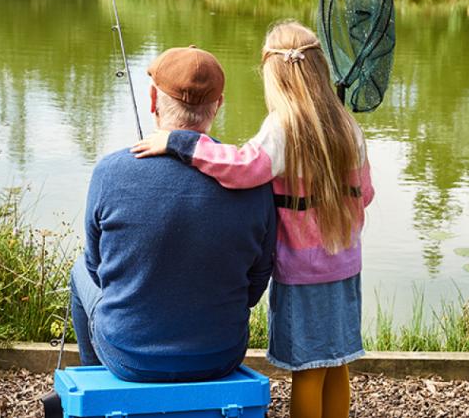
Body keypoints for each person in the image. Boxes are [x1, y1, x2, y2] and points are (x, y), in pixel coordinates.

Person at [132, 21, 374, 418]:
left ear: (274, 77)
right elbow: (365, 194)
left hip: (304, 272)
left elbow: (243, 167)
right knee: (336, 362)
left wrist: (180, 143)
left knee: (308, 372)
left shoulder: (284, 128)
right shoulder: (348, 126)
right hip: (346, 265)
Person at [69, 45, 277, 383]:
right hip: (220, 355)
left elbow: (95, 269)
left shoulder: (110, 171)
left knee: (79, 270)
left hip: (127, 357)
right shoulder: (254, 181)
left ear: (153, 101)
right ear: (219, 105)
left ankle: (98, 385)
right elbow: (254, 289)